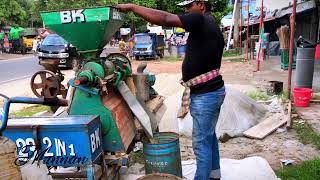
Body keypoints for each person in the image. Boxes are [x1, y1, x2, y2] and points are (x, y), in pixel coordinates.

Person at [116, 1, 225, 179]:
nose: (186, 11)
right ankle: (215, 175)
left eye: (189, 7)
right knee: (209, 137)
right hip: (213, 90)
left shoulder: (199, 19)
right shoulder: (211, 23)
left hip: (206, 94)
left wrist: (133, 7)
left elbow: (165, 18)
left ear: (201, 4)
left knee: (201, 143)